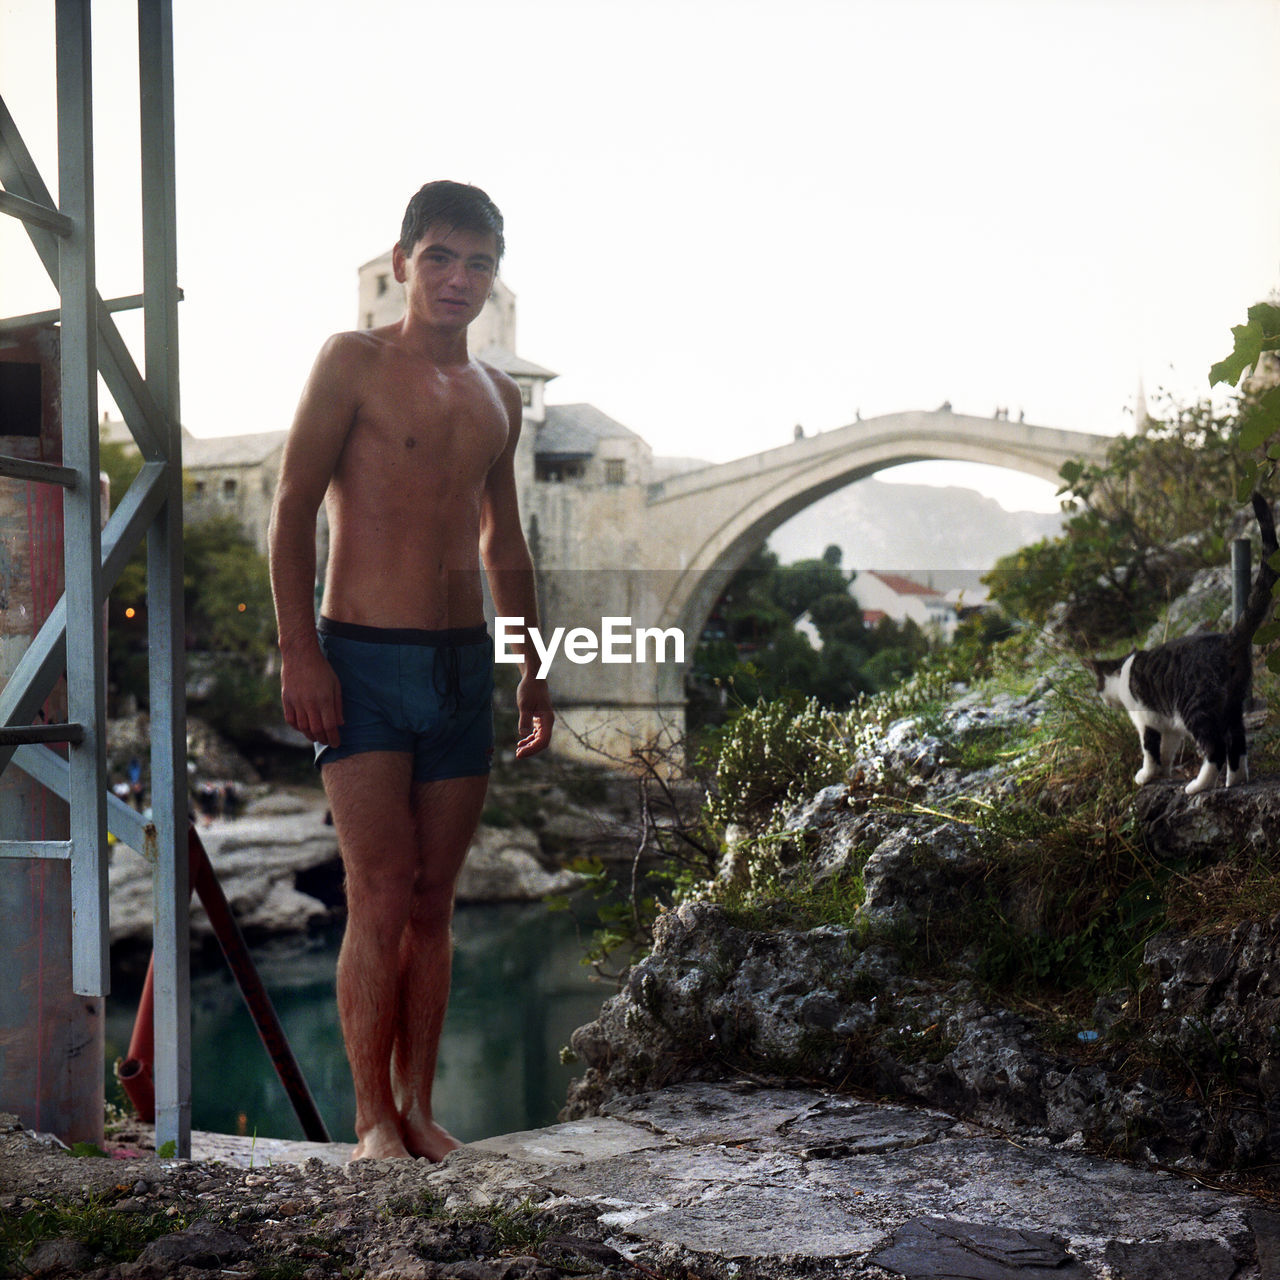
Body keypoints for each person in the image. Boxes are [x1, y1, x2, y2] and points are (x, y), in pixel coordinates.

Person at [268, 180, 554, 1162]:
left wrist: (532, 669)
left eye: (476, 263)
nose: (456, 278)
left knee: (435, 902)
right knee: (379, 889)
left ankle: (418, 1104)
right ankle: (368, 1120)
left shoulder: (498, 397)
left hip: (462, 668)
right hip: (361, 655)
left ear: (493, 278)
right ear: (402, 261)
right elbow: (293, 506)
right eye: (438, 256)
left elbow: (505, 545)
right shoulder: (351, 362)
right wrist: (298, 647)